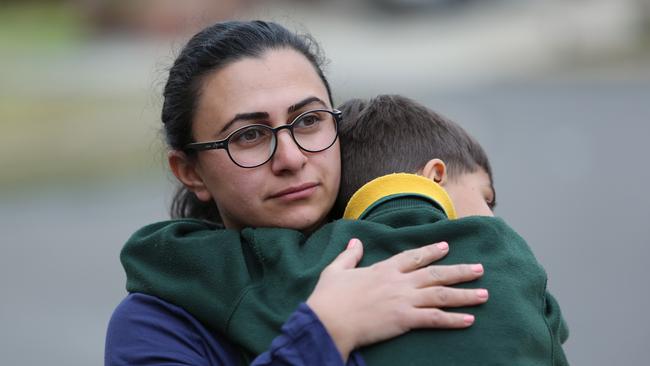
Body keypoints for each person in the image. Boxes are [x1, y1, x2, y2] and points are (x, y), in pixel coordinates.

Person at [105, 21, 487, 366]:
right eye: (249, 135)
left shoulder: (416, 245)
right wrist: (325, 332)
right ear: (191, 173)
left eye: (308, 121)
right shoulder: (156, 324)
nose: (291, 158)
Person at [120, 95, 569, 365]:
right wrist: (329, 327)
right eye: (485, 198)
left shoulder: (323, 260)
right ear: (433, 177)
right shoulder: (508, 251)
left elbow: (166, 256)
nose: (489, 218)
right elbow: (554, 337)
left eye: (308, 121)